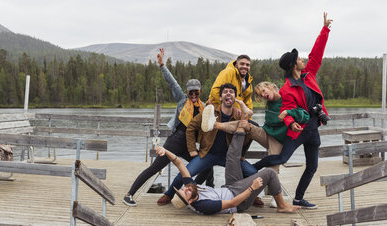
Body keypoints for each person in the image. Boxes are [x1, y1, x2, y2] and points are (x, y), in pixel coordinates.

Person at [252, 12, 333, 209]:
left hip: (313, 129)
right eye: (298, 59)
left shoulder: (308, 74)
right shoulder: (287, 89)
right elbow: (287, 110)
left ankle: (298, 198)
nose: (302, 59)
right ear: (292, 64)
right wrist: (290, 123)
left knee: (312, 166)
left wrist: (324, 30)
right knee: (281, 158)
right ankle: (250, 168)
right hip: (298, 131)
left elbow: (317, 54)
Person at [123, 48, 212, 207]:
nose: (193, 95)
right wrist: (162, 65)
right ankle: (129, 194)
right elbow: (172, 82)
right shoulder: (181, 99)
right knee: (154, 168)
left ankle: (190, 193)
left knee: (206, 168)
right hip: (175, 140)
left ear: (200, 92)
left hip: (189, 145)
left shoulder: (204, 106)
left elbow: (208, 124)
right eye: (190, 92)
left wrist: (214, 109)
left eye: (196, 92)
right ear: (187, 91)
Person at [155, 120, 300, 215]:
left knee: (231, 156)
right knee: (269, 173)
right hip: (239, 199)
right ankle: (281, 205)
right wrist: (251, 188)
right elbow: (232, 203)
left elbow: (179, 164)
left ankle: (242, 127)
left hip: (229, 187)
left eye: (183, 189)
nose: (186, 188)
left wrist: (164, 151)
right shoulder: (204, 206)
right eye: (185, 192)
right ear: (191, 202)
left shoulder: (191, 189)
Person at [157, 83, 258, 206]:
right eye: (225, 92)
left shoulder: (238, 115)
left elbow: (251, 132)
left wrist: (241, 154)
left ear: (235, 98)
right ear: (220, 97)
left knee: (253, 173)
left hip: (229, 157)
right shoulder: (209, 111)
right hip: (207, 154)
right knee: (184, 173)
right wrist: (192, 149)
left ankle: (253, 195)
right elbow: (191, 127)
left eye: (231, 92)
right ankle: (169, 194)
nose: (228, 94)